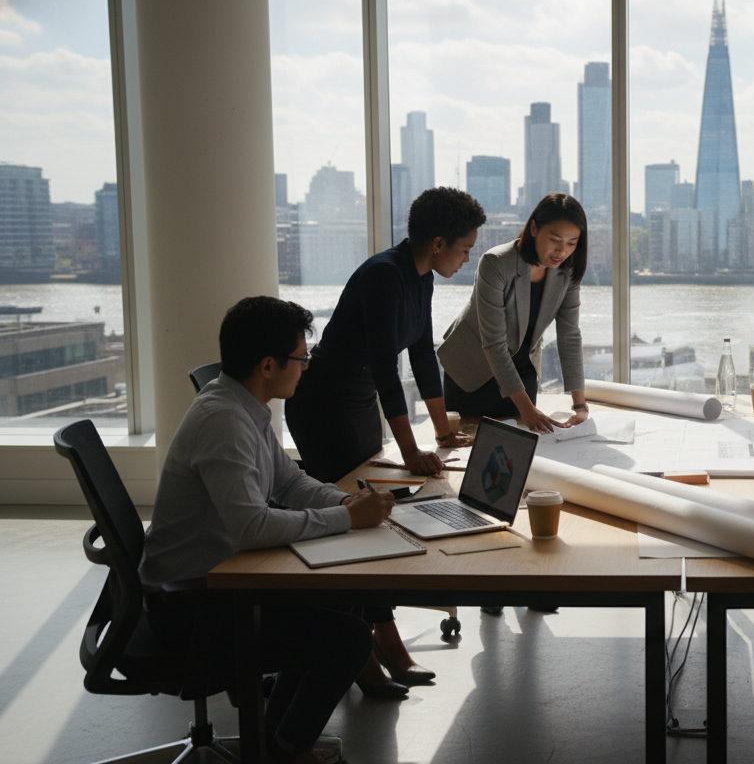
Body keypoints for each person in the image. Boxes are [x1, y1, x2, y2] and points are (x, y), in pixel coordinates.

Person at [140, 296, 398, 764]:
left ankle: (275, 739)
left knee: (343, 596)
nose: (305, 367)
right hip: (192, 604)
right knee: (349, 638)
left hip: (220, 579)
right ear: (266, 365)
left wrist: (346, 502)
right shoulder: (224, 421)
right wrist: (347, 519)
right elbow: (253, 527)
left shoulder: (244, 406)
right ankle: (283, 751)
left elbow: (290, 481)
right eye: (301, 358)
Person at [285, 186, 486, 694]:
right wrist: (412, 450)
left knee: (372, 508)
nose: (467, 258)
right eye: (465, 249)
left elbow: (420, 354)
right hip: (324, 403)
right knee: (358, 516)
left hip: (355, 401)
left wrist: (442, 430)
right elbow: (384, 367)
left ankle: (369, 640)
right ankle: (372, 649)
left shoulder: (421, 278)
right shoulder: (384, 275)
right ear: (438, 242)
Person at [437, 192, 589, 434]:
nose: (562, 251)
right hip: (473, 369)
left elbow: (570, 335)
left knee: (521, 450)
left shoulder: (566, 272)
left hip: (522, 369)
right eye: (555, 240)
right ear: (534, 229)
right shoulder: (496, 262)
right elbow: (494, 343)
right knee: (472, 451)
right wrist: (526, 409)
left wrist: (580, 405)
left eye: (572, 243)